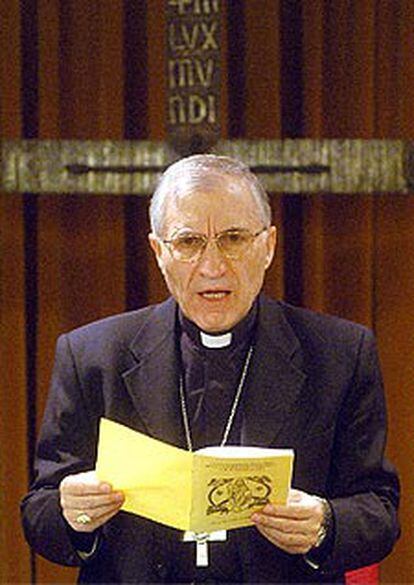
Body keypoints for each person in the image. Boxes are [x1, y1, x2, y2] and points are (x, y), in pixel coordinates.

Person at [21, 155, 400, 583]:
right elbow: (40, 513)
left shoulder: (339, 354)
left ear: (269, 245)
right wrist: (73, 514)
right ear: (159, 252)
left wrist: (324, 523)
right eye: (188, 242)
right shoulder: (92, 356)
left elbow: (379, 511)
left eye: (234, 238)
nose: (213, 266)